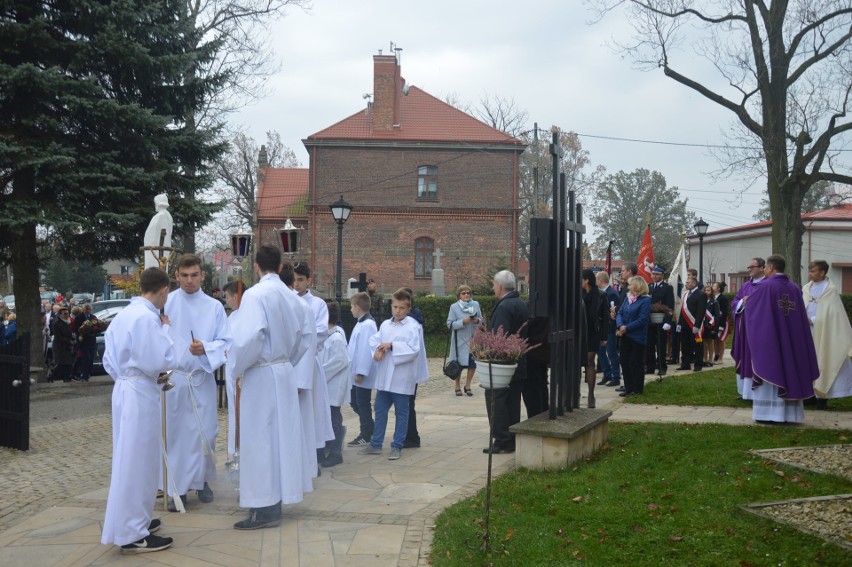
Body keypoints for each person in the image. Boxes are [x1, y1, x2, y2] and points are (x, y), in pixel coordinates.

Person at [228, 245, 312, 530]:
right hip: (283, 371)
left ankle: (263, 506)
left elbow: (249, 338)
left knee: (260, 440)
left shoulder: (255, 295)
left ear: (256, 267)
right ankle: (276, 498)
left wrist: (236, 367)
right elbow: (304, 339)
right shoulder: (294, 298)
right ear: (279, 267)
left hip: (262, 374)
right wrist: (287, 361)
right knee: (281, 439)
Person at [101, 267, 177, 554]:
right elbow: (157, 358)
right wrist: (166, 330)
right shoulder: (146, 318)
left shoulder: (123, 315)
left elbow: (109, 359)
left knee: (129, 456)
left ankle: (134, 520)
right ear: (163, 291)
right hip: (140, 391)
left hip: (124, 387)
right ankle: (133, 532)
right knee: (138, 460)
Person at [162, 254, 232, 512]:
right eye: (184, 275)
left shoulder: (214, 307)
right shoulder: (167, 303)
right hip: (175, 379)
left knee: (206, 433)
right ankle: (176, 488)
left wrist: (205, 348)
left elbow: (226, 342)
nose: (189, 280)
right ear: (177, 276)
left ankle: (202, 480)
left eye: (194, 275)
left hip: (201, 378)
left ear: (203, 275)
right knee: (177, 436)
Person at [743, 254, 818, 423]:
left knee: (771, 369)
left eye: (767, 268)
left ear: (770, 268)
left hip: (772, 341)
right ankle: (791, 416)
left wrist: (748, 302)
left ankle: (768, 415)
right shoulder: (794, 288)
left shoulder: (764, 287)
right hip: (791, 341)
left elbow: (754, 312)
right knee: (790, 369)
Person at [359, 289, 427, 460]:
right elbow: (374, 340)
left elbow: (414, 350)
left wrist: (392, 346)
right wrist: (377, 350)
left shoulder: (413, 327)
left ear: (408, 309)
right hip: (384, 376)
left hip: (401, 378)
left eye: (401, 308)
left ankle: (397, 445)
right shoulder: (385, 325)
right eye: (395, 307)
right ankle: (376, 443)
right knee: (380, 410)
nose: (397, 311)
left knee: (402, 413)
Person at [293, 262, 335, 471]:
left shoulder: (317, 304)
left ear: (309, 280)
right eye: (294, 279)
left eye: (301, 279)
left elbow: (320, 333)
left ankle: (314, 455)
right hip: (290, 364)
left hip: (310, 362)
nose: (297, 284)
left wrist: (299, 337)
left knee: (312, 409)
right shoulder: (286, 300)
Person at [483, 270, 528, 454]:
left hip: (503, 365)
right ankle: (510, 438)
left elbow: (498, 337)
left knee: (496, 399)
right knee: (512, 401)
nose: (493, 287)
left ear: (500, 286)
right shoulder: (520, 303)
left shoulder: (504, 306)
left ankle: (502, 440)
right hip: (518, 362)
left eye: (494, 284)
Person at [802, 259, 852, 409]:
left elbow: (833, 313)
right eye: (809, 271)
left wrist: (814, 320)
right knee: (807, 361)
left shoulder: (830, 289)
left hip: (825, 331)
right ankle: (810, 395)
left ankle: (823, 398)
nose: (809, 274)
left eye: (813, 271)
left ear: (822, 273)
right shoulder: (806, 288)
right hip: (807, 332)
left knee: (824, 360)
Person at [319, 299, 350, 467]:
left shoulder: (336, 338)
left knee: (333, 419)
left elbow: (340, 361)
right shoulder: (330, 335)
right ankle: (327, 447)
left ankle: (336, 452)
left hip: (332, 386)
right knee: (328, 418)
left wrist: (319, 374)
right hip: (326, 386)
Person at [731, 258, 766, 397]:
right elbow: (735, 301)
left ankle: (758, 390)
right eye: (749, 266)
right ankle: (745, 391)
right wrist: (741, 302)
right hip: (744, 330)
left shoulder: (767, 285)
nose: (749, 269)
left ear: (762, 268)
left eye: (752, 266)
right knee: (744, 356)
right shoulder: (746, 285)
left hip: (760, 330)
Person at [346, 292, 377, 448]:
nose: (350, 309)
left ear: (357, 308)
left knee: (362, 403)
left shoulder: (368, 325)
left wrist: (361, 372)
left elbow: (366, 350)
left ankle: (366, 434)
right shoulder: (361, 323)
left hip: (361, 374)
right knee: (355, 402)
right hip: (355, 372)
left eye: (352, 306)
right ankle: (370, 427)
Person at [615, 276, 651, 398]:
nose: (628, 286)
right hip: (625, 335)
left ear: (637, 286)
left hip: (637, 337)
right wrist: (620, 325)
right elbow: (620, 312)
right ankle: (628, 388)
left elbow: (642, 319)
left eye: (630, 284)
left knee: (635, 363)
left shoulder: (645, 300)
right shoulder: (628, 298)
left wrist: (627, 328)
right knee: (624, 362)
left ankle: (637, 389)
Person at [446, 284, 482, 397]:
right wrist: (463, 321)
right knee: (458, 364)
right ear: (459, 296)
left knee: (472, 364)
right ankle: (457, 386)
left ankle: (468, 386)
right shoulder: (454, 307)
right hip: (459, 341)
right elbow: (450, 324)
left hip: (473, 339)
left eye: (468, 293)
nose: (466, 295)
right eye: (463, 293)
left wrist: (477, 320)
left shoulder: (475, 304)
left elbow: (481, 320)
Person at [222, 280, 244, 464]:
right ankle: (233, 449)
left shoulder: (247, 316)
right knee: (233, 411)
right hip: (231, 368)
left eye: (228, 297)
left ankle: (241, 450)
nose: (227, 301)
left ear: (236, 296)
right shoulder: (232, 317)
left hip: (240, 371)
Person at [582, 269, 609, 408]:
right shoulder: (577, 294)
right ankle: (574, 393)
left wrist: (604, 336)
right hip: (579, 331)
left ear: (586, 280)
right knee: (577, 362)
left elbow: (605, 317)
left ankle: (591, 394)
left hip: (593, 331)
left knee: (589, 360)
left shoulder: (600, 295)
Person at [646, 265, 674, 375]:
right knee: (649, 344)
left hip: (661, 319)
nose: (654, 276)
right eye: (653, 274)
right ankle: (650, 366)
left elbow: (670, 305)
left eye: (657, 274)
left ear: (662, 275)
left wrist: (668, 321)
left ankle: (662, 367)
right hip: (650, 320)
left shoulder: (667, 287)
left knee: (661, 345)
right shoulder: (649, 286)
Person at [596, 271, 621, 387]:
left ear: (600, 280)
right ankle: (607, 374)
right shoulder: (600, 293)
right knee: (600, 351)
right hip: (601, 328)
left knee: (611, 352)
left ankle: (616, 377)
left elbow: (614, 312)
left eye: (596, 279)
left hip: (610, 328)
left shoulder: (612, 293)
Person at [677, 276, 707, 372]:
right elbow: (683, 310)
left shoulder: (701, 294)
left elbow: (701, 311)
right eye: (686, 282)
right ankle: (685, 364)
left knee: (697, 344)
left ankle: (698, 365)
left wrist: (697, 325)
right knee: (685, 344)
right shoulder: (686, 294)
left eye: (688, 282)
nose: (686, 284)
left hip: (694, 324)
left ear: (694, 284)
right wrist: (679, 323)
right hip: (685, 324)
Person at [73, 304, 99, 381]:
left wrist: (95, 331)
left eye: (89, 309)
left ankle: (87, 374)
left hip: (92, 341)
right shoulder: (79, 317)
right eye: (86, 309)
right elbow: (76, 329)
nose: (88, 311)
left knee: (91, 359)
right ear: (83, 309)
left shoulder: (93, 317)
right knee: (86, 358)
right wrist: (83, 331)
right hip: (83, 342)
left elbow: (97, 327)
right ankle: (84, 375)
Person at [51, 307, 74, 383]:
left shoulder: (68, 322)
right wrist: (68, 341)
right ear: (60, 314)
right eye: (65, 314)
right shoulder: (56, 324)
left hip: (67, 345)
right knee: (61, 364)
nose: (67, 315)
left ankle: (67, 377)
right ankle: (51, 376)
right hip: (60, 346)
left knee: (68, 363)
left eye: (68, 313)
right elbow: (58, 337)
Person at [711, 282, 730, 364]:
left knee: (720, 339)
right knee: (715, 339)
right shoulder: (712, 297)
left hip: (722, 321)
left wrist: (722, 326)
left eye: (714, 286)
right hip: (714, 321)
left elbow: (724, 312)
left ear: (718, 289)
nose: (712, 287)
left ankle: (721, 358)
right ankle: (716, 355)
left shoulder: (722, 298)